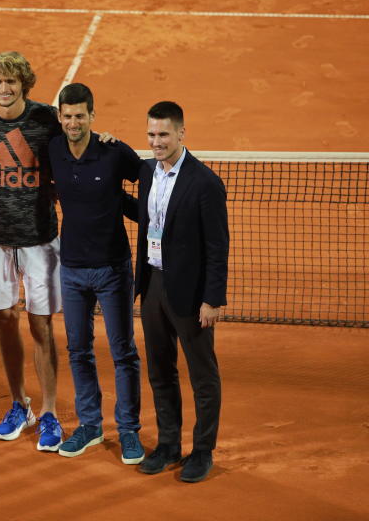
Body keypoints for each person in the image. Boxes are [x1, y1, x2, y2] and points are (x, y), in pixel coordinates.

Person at [0, 51, 65, 451]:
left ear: (24, 85)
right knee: (5, 320)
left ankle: (50, 411)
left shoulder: (46, 120)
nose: (4, 89)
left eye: (11, 82)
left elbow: (74, 151)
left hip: (40, 240)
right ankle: (20, 404)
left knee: (41, 326)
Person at [46, 83, 144, 464]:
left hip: (113, 270)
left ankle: (129, 431)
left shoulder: (113, 151)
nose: (73, 122)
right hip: (71, 269)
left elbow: (150, 182)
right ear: (60, 117)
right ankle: (90, 424)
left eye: (80, 115)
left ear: (92, 115)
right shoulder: (53, 147)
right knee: (79, 351)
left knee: (123, 352)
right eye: (67, 116)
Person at [134, 101, 228, 483]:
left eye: (164, 135)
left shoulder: (204, 182)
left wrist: (213, 299)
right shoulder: (146, 172)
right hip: (154, 285)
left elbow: (217, 246)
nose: (156, 142)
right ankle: (169, 444)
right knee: (160, 370)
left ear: (181, 133)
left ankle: (202, 451)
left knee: (203, 376)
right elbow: (149, 218)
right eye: (152, 135)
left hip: (191, 295)